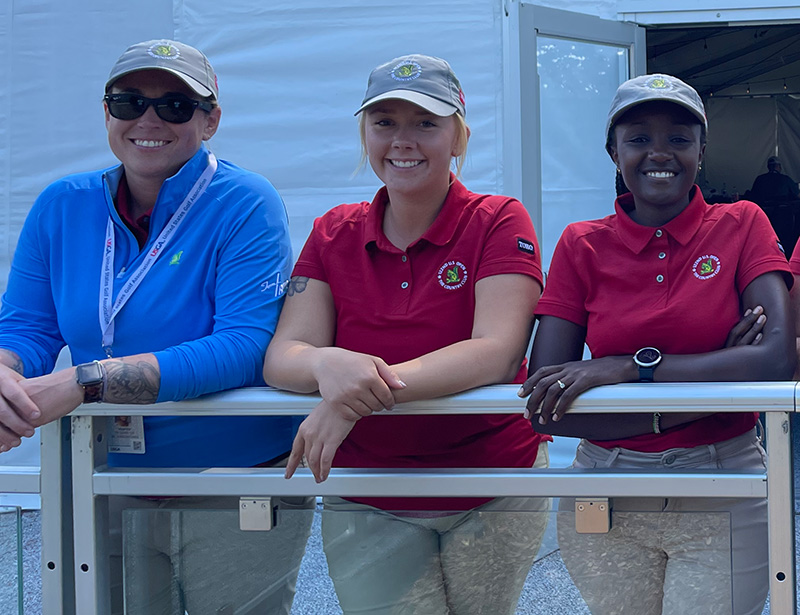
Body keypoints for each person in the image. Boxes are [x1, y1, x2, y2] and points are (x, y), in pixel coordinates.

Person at [0, 39, 311, 614]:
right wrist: (6, 378)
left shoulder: (245, 201)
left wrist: (82, 382)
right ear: (107, 112)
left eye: (174, 105)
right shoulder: (61, 205)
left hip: (231, 477)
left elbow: (244, 346)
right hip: (103, 474)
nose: (148, 119)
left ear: (210, 119)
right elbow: (26, 329)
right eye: (128, 102)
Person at [263, 54, 550, 615]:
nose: (403, 140)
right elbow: (284, 355)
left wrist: (354, 401)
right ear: (365, 134)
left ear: (459, 136)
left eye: (426, 123)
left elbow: (495, 351)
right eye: (385, 122)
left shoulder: (498, 219)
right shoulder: (333, 231)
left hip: (489, 482)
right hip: (369, 491)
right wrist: (329, 367)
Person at [518, 74, 795, 615]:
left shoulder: (742, 224)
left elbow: (777, 361)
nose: (659, 153)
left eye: (679, 138)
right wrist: (715, 376)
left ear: (702, 151)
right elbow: (545, 405)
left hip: (724, 479)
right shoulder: (582, 243)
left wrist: (627, 369)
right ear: (613, 152)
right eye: (639, 138)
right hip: (606, 487)